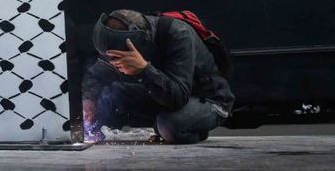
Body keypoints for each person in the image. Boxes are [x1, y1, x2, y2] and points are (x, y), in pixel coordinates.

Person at [81, 9, 233, 144]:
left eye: (117, 58)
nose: (113, 62)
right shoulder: (117, 41)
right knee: (109, 96)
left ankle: (186, 129)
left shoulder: (179, 35)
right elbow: (96, 74)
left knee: (170, 125)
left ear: (134, 44)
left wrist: (143, 69)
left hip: (208, 100)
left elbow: (178, 98)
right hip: (164, 97)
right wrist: (89, 100)